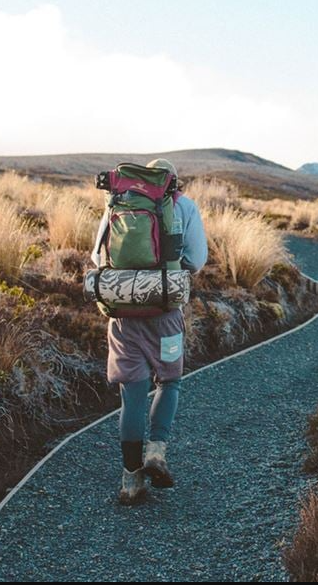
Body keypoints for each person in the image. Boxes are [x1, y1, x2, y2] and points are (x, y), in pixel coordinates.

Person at [90, 158, 208, 504]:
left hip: (123, 315)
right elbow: (197, 260)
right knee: (169, 381)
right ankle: (156, 450)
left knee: (133, 391)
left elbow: (98, 257)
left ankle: (131, 481)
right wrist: (166, 272)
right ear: (174, 181)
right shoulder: (184, 206)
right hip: (166, 315)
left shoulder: (118, 201)